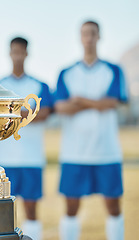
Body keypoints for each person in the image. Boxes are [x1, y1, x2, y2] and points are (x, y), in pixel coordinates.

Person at [54, 21, 128, 240]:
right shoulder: (66, 72)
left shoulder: (113, 70)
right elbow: (61, 108)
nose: (89, 38)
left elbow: (112, 103)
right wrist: (96, 103)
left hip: (107, 152)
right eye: (85, 33)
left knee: (114, 207)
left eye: (93, 34)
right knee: (70, 209)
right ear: (80, 37)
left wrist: (79, 100)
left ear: (99, 37)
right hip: (74, 152)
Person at [0, 37, 53, 240]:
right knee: (1, 212)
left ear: (27, 53)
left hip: (31, 157)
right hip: (3, 159)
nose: (17, 55)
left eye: (21, 51)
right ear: (9, 53)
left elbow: (44, 114)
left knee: (31, 209)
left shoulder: (39, 85)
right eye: (14, 51)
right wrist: (27, 112)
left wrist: (10, 113)